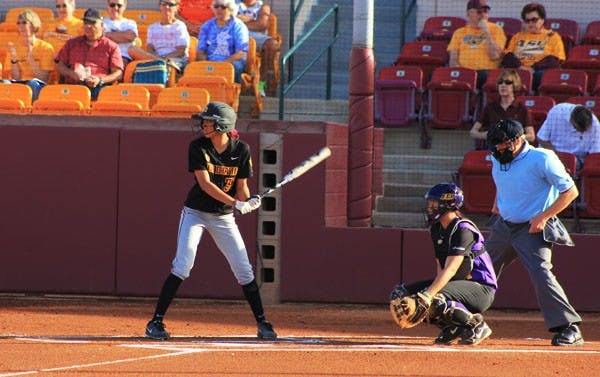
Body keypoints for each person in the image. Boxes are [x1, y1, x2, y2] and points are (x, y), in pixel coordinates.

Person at [145, 101, 277, 341]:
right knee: (183, 265)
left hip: (223, 217)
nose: (204, 124)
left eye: (209, 121)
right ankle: (155, 322)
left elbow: (242, 188)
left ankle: (262, 322)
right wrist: (237, 203)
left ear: (222, 125)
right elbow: (205, 185)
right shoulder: (198, 147)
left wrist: (249, 201)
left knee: (244, 270)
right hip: (195, 212)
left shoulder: (242, 149)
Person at [485, 119, 584, 346]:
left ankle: (569, 326)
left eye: (502, 144)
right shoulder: (499, 157)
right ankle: (463, 318)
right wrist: (497, 203)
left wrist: (543, 217)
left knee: (541, 273)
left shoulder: (543, 158)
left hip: (532, 226)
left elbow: (570, 192)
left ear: (518, 140)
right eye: (495, 144)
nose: (497, 148)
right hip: (504, 225)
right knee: (481, 269)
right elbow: (503, 182)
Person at [389, 183, 497, 346]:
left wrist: (427, 295)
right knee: (401, 294)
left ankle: (476, 324)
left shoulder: (463, 229)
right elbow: (441, 268)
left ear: (450, 204)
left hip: (481, 288)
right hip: (457, 284)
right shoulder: (437, 229)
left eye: (434, 203)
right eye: (430, 203)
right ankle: (453, 326)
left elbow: (451, 269)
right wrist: (423, 294)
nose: (430, 207)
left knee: (434, 298)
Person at [55, 8, 124, 100]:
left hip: (98, 87)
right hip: (74, 86)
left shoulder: (111, 46)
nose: (88, 26)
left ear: (102, 25)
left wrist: (100, 80)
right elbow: (60, 66)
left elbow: (118, 73)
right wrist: (72, 74)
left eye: (92, 23)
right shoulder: (72, 43)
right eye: (86, 23)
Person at [502, 3, 566, 91]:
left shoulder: (553, 36)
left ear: (542, 20)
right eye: (527, 20)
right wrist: (521, 67)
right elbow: (508, 56)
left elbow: (555, 60)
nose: (530, 23)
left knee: (540, 76)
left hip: (539, 71)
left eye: (534, 20)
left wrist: (533, 68)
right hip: (519, 70)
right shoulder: (518, 36)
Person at [447, 0, 506, 89]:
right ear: (468, 13)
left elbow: (495, 56)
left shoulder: (495, 29)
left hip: (485, 73)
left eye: (485, 12)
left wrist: (486, 32)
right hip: (464, 73)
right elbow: (453, 60)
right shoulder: (459, 32)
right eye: (479, 12)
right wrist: (459, 72)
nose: (483, 15)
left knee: (482, 75)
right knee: (436, 75)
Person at [470, 70, 535, 149]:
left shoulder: (522, 109)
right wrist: (488, 135)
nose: (503, 85)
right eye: (500, 82)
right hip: (494, 149)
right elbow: (473, 132)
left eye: (507, 82)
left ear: (514, 86)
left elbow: (531, 136)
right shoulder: (490, 107)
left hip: (515, 149)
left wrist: (513, 138)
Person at [4, 9, 55, 101]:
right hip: (20, 82)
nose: (21, 26)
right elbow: (16, 77)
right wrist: (14, 60)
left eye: (24, 22)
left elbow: (44, 78)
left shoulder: (46, 48)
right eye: (18, 23)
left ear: (33, 24)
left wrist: (31, 60)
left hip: (38, 84)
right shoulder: (14, 47)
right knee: (4, 83)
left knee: (32, 84)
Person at [128, 0, 190, 72]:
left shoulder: (180, 26)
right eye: (163, 4)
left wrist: (163, 59)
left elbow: (181, 52)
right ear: (160, 6)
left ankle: (159, 63)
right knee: (132, 49)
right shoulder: (152, 27)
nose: (166, 7)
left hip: (174, 61)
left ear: (176, 7)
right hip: (155, 59)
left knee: (165, 65)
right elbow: (150, 49)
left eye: (170, 4)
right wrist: (157, 59)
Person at [196, 0, 249, 83]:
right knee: (195, 67)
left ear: (231, 9)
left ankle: (232, 92)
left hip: (230, 61)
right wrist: (205, 63)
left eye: (223, 7)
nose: (219, 9)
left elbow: (240, 53)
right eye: (216, 6)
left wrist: (222, 65)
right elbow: (201, 50)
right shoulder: (207, 25)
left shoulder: (238, 26)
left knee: (235, 67)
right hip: (210, 60)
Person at [537, 103, 600, 170]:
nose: (582, 133)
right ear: (571, 121)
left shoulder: (595, 125)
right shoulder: (557, 112)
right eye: (578, 129)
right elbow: (542, 139)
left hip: (577, 163)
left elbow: (594, 154)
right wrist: (557, 159)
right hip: (552, 155)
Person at [237, 0, 281, 96]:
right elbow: (227, 20)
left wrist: (240, 22)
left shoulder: (262, 7)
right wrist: (250, 20)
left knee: (272, 44)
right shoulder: (233, 4)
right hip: (236, 36)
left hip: (257, 38)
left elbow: (262, 25)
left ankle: (261, 84)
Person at [103, 0, 138, 65]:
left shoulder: (130, 23)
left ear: (124, 6)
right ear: (108, 5)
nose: (116, 8)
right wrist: (121, 35)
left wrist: (107, 35)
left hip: (123, 56)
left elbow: (130, 37)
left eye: (119, 5)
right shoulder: (102, 22)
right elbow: (99, 38)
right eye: (112, 5)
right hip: (104, 56)